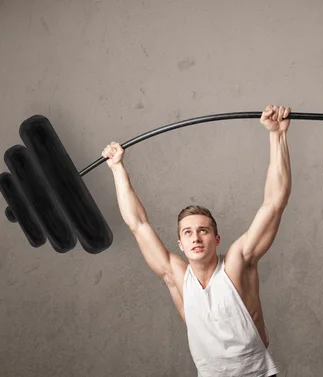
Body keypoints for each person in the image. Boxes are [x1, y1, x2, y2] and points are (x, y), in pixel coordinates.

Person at [101, 104, 292, 377]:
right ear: (180, 244)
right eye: (188, 232)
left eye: (203, 230)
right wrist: (117, 168)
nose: (196, 237)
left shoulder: (238, 263)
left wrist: (277, 136)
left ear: (216, 239)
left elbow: (274, 203)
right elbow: (138, 224)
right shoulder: (177, 276)